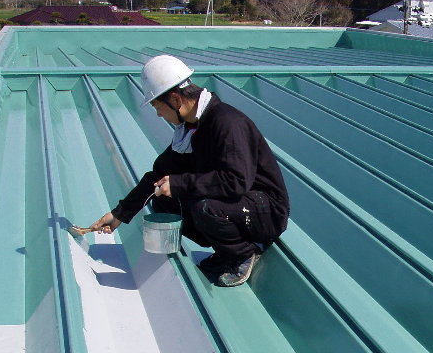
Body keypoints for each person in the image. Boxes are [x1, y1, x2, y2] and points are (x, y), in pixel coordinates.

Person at [92, 54, 289, 287]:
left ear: (175, 99)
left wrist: (178, 184)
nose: (158, 114)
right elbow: (158, 175)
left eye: (157, 106)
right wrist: (120, 214)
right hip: (238, 204)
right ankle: (225, 250)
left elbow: (236, 181)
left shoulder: (226, 123)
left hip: (266, 210)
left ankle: (243, 254)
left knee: (203, 206)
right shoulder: (192, 129)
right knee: (162, 199)